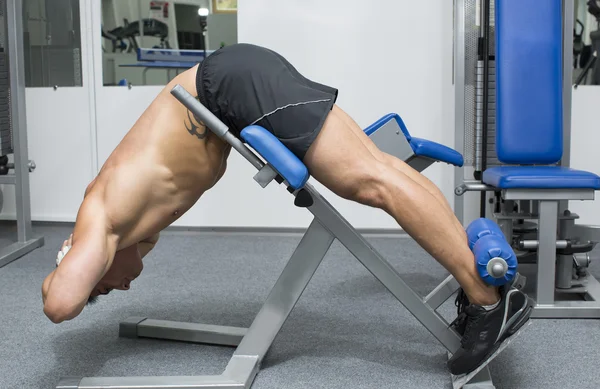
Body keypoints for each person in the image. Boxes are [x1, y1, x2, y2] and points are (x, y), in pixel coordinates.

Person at [41, 43, 532, 376]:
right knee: (379, 169)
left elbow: (59, 304)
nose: (121, 285)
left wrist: (71, 258)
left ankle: (488, 300)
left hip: (227, 86)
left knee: (371, 181)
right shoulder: (126, 228)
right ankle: (480, 286)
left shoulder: (101, 222)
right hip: (232, 82)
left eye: (105, 283)